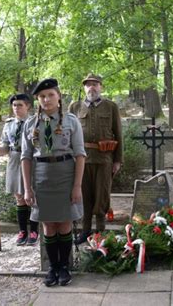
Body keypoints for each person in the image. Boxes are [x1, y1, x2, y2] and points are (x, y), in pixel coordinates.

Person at [21, 78, 86, 287]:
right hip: (42, 176)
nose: (46, 99)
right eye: (41, 96)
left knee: (65, 221)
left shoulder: (71, 121)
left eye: (50, 95)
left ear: (59, 97)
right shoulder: (31, 124)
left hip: (66, 175)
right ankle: (52, 267)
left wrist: (77, 186)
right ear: (38, 100)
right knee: (48, 224)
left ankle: (65, 267)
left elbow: (80, 155)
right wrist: (27, 189)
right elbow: (26, 157)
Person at [68, 73, 123, 244]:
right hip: (81, 160)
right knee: (84, 195)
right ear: (84, 88)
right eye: (88, 84)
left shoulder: (110, 107)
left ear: (101, 87)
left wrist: (117, 160)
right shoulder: (75, 107)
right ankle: (85, 230)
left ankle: (100, 231)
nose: (91, 87)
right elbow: (68, 134)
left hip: (104, 158)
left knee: (102, 195)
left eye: (95, 84)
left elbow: (119, 134)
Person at [0, 93, 39, 246]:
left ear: (27, 106)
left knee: (32, 197)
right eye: (14, 105)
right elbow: (5, 149)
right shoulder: (9, 124)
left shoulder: (35, 122)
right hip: (15, 161)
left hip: (31, 160)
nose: (16, 108)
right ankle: (22, 231)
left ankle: (34, 230)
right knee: (19, 198)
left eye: (20, 105)